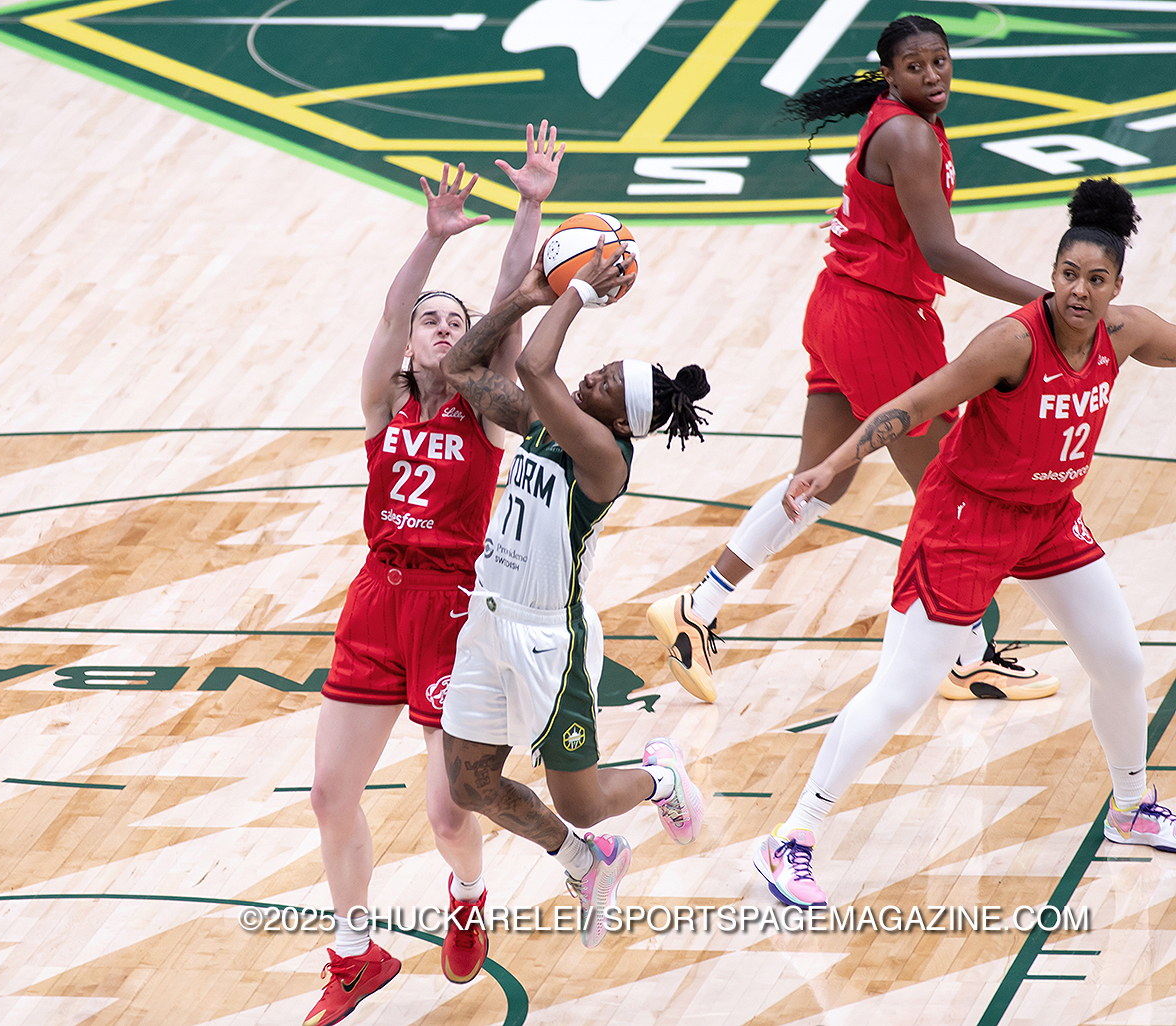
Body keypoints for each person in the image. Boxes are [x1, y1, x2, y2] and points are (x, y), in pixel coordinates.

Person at [752, 178, 1176, 908]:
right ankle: (792, 836)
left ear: (1116, 287)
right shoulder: (1011, 342)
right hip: (964, 522)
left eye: (1095, 279)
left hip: (1047, 518)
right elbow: (914, 403)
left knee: (1121, 662)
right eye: (1068, 274)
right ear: (1052, 275)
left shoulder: (1126, 333)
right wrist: (832, 463)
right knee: (902, 691)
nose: (1079, 290)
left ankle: (1131, 808)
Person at [647, 15, 1053, 705]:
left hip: (841, 306)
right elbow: (942, 251)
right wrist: (1044, 303)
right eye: (916, 66)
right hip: (878, 321)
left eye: (940, 60)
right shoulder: (908, 135)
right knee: (948, 490)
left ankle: (698, 606)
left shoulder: (903, 122)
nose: (933, 75)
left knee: (820, 483)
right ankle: (966, 658)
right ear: (889, 74)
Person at [303, 123, 564, 1026]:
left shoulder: (483, 411)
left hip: (453, 610)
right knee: (329, 794)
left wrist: (529, 206)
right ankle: (355, 954)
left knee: (451, 816)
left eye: (456, 322)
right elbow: (386, 317)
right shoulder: (382, 403)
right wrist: (432, 238)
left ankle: (468, 896)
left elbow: (509, 307)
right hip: (377, 599)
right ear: (412, 340)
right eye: (432, 320)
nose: (444, 327)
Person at [438, 241, 711, 948]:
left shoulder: (603, 459)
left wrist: (578, 294)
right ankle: (587, 863)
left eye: (608, 382)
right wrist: (525, 298)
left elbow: (535, 366)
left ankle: (660, 778)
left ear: (621, 422)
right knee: (470, 786)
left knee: (582, 803)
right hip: (486, 621)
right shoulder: (544, 425)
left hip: (545, 641)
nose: (594, 373)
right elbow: (460, 367)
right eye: (605, 367)